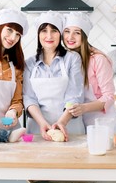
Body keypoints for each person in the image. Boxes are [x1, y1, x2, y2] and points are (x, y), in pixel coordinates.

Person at [23, 11, 85, 141]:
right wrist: (42, 123)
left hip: (69, 127)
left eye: (54, 31)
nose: (49, 36)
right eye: (44, 30)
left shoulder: (72, 59)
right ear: (38, 34)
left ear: (60, 34)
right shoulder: (30, 63)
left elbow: (74, 96)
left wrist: (61, 123)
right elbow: (29, 98)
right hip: (38, 128)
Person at [62, 12, 116, 133]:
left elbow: (109, 96)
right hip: (81, 123)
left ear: (84, 36)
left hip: (104, 122)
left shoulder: (98, 59)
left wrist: (83, 108)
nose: (70, 37)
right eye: (67, 31)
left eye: (77, 33)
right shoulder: (67, 59)